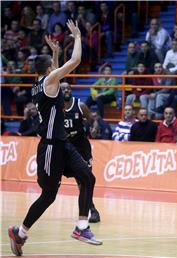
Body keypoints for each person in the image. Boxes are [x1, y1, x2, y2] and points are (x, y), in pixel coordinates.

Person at [8, 20, 102, 258]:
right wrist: (78, 37)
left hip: (63, 144)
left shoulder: (42, 84)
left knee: (87, 177)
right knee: (48, 195)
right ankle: (21, 232)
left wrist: (56, 53)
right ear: (48, 69)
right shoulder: (49, 81)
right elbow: (77, 62)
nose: (55, 68)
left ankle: (81, 227)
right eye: (52, 65)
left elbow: (55, 79)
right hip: (50, 147)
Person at [61, 82, 101, 223]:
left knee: (84, 180)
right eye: (63, 88)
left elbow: (92, 120)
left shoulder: (80, 105)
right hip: (65, 148)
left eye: (68, 88)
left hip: (81, 147)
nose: (66, 90)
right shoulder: (55, 108)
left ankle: (92, 210)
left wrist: (94, 128)